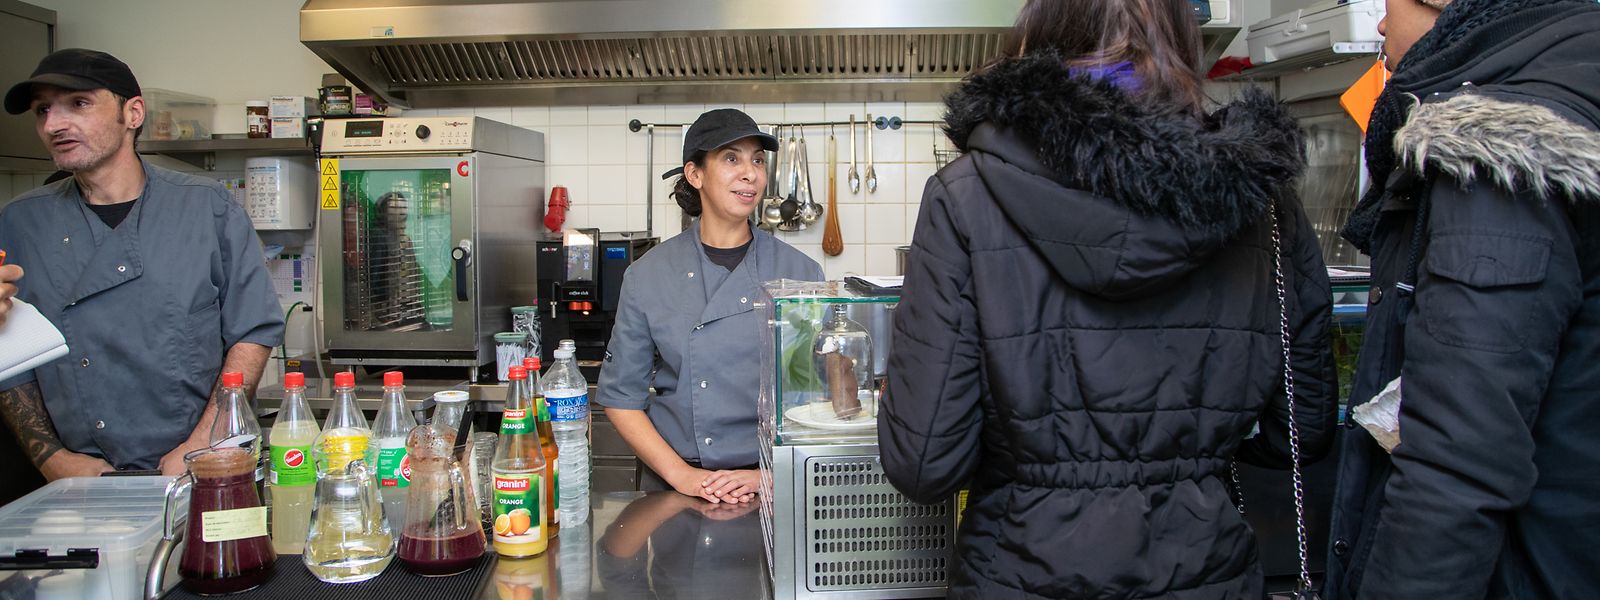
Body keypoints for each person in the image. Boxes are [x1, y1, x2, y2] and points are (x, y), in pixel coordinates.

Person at [878, 0, 1338, 597]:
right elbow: (1299, 433)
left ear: (1040, 34)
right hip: (1205, 572)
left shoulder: (965, 196)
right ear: (1181, 36)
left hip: (1020, 569)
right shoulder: (1263, 202)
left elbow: (924, 464)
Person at [1325, 0, 1600, 597]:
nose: (1378, 25)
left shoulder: (1499, 153)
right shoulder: (1580, 77)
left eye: (1386, 3)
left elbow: (1456, 463)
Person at [0, 49, 283, 480]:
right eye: (43, 111)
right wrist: (52, 460)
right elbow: (8, 356)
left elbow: (253, 333)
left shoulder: (206, 208)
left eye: (78, 104)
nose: (55, 124)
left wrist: (201, 442)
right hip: (78, 480)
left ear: (132, 113)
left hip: (197, 468)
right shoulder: (20, 221)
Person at [597, 108, 823, 504]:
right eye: (732, 158)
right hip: (673, 484)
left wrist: (767, 475)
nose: (750, 173)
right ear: (695, 174)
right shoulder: (648, 274)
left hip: (771, 483)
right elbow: (621, 398)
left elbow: (812, 400)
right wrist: (683, 477)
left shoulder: (799, 273)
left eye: (757, 160)